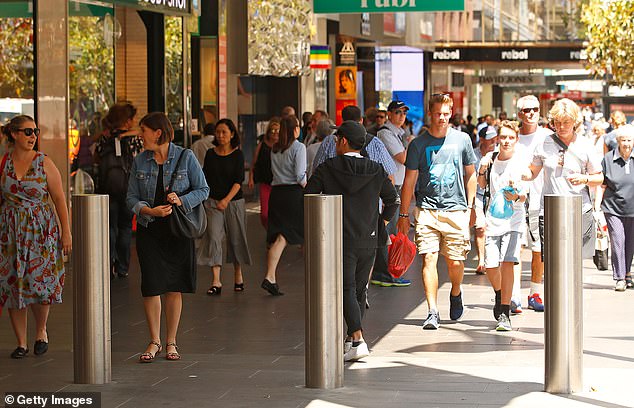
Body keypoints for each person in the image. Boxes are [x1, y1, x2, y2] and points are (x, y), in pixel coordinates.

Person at [305, 120, 399, 362]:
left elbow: (309, 196)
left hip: (339, 237)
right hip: (369, 239)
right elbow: (393, 201)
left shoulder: (328, 168)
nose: (335, 142)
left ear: (343, 141)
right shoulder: (376, 169)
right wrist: (382, 224)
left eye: (337, 139)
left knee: (345, 288)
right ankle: (350, 338)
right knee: (359, 289)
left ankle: (357, 338)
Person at [126, 112, 209, 362]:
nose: (141, 135)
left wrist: (181, 200)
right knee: (151, 285)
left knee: (174, 285)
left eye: (144, 130)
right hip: (149, 228)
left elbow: (203, 189)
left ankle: (171, 341)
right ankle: (154, 341)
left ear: (158, 132)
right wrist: (147, 209)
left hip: (177, 230)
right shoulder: (140, 161)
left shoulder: (186, 157)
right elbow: (130, 196)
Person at [397, 93, 477, 330]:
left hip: (456, 210)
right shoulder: (418, 144)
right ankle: (432, 310)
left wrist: (471, 207)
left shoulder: (462, 140)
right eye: (437, 113)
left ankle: (455, 290)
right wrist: (403, 214)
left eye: (445, 113)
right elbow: (409, 182)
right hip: (427, 211)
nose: (441, 118)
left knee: (454, 261)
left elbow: (470, 173)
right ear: (430, 113)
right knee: (429, 258)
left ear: (450, 113)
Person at [0, 115, 72, 359]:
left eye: (36, 132)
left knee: (41, 282)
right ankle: (21, 342)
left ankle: (41, 330)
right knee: (13, 285)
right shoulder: (4, 163)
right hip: (9, 233)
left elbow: (60, 198)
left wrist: (66, 231)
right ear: (14, 134)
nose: (33, 137)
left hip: (41, 231)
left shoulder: (44, 162)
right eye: (28, 132)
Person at [522, 98, 603, 264]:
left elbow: (599, 177)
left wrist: (585, 178)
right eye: (557, 122)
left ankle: (571, 291)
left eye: (566, 122)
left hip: (579, 210)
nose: (561, 127)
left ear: (575, 121)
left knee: (574, 262)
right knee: (553, 261)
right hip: (550, 211)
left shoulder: (585, 145)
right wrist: (519, 173)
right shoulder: (544, 143)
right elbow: (532, 172)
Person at [477, 121, 527, 331]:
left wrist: (515, 195)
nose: (506, 141)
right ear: (498, 138)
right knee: (490, 265)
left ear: (516, 140)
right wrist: (481, 168)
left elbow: (524, 196)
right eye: (503, 137)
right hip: (494, 220)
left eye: (511, 138)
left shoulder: (520, 162)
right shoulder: (491, 160)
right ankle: (499, 293)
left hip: (514, 220)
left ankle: (504, 311)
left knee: (508, 263)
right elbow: (482, 186)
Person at [198, 118, 252, 295]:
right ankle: (216, 280)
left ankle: (238, 274)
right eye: (218, 132)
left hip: (234, 202)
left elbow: (238, 181)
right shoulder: (210, 154)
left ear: (232, 134)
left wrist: (226, 200)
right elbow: (205, 177)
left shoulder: (238, 155)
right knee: (213, 237)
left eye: (224, 132)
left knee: (235, 239)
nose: (220, 135)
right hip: (213, 202)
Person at [511, 95, 552, 314]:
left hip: (540, 201)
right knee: (515, 248)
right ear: (519, 114)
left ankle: (535, 293)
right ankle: (515, 295)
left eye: (535, 109)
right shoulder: (513, 138)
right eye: (526, 110)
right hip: (516, 202)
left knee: (539, 250)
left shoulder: (547, 136)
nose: (531, 113)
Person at [95, 101, 143, 279]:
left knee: (109, 228)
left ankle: (108, 266)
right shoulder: (135, 140)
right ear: (128, 121)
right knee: (125, 228)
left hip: (107, 188)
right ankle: (122, 267)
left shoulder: (104, 138)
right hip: (128, 189)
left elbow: (96, 158)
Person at [262, 115, 306, 296]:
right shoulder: (299, 147)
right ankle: (269, 277)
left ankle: (271, 276)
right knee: (285, 236)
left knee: (278, 236)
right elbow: (300, 175)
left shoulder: (275, 148)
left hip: (277, 194)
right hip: (292, 194)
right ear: (295, 129)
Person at [372, 100, 413, 287]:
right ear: (389, 114)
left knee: (392, 230)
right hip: (390, 187)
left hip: (398, 185)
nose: (401, 116)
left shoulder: (398, 134)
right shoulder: (386, 133)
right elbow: (404, 158)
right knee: (387, 231)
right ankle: (383, 272)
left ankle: (389, 270)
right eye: (397, 112)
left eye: (404, 112)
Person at [594, 124, 634, 291]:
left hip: (632, 208)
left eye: (629, 140)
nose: (626, 143)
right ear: (617, 141)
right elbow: (601, 184)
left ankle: (627, 273)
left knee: (630, 243)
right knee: (618, 240)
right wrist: (597, 207)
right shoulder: (608, 159)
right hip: (613, 208)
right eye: (623, 140)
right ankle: (619, 277)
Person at [472, 126, 498, 275]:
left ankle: (493, 259)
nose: (493, 142)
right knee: (480, 228)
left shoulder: (499, 154)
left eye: (495, 138)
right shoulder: (474, 156)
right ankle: (481, 261)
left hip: (494, 198)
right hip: (477, 196)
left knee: (493, 229)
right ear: (481, 140)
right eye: (490, 139)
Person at [248, 117, 280, 229]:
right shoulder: (262, 144)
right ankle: (269, 231)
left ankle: (273, 236)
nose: (275, 133)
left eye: (278, 130)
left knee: (277, 212)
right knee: (264, 214)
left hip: (279, 184)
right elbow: (254, 161)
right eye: (273, 130)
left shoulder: (283, 145)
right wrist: (251, 177)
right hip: (265, 183)